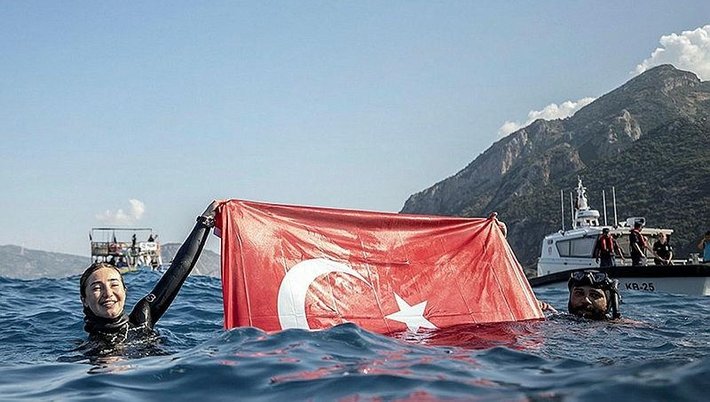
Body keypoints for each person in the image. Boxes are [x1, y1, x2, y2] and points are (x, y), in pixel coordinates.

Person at [79, 201, 219, 345]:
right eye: (97, 288)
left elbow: (180, 267)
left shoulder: (142, 319)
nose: (108, 293)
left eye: (114, 285)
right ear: (84, 300)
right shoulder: (85, 351)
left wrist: (205, 220)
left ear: (125, 291)